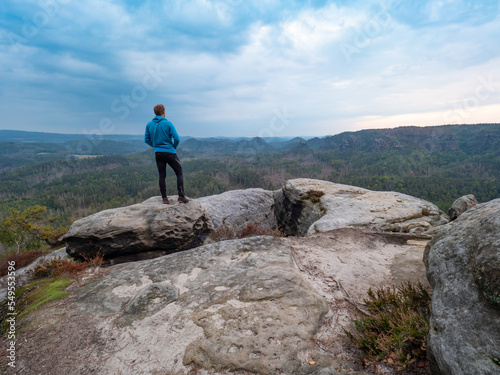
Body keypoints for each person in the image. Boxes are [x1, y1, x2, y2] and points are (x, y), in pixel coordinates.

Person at [145, 104, 189, 204]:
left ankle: (164, 198)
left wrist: (155, 146)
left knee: (162, 175)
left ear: (155, 113)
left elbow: (146, 139)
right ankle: (181, 196)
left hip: (158, 154)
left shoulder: (149, 124)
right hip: (170, 152)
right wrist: (173, 147)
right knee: (179, 172)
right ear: (164, 112)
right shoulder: (168, 124)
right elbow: (177, 138)